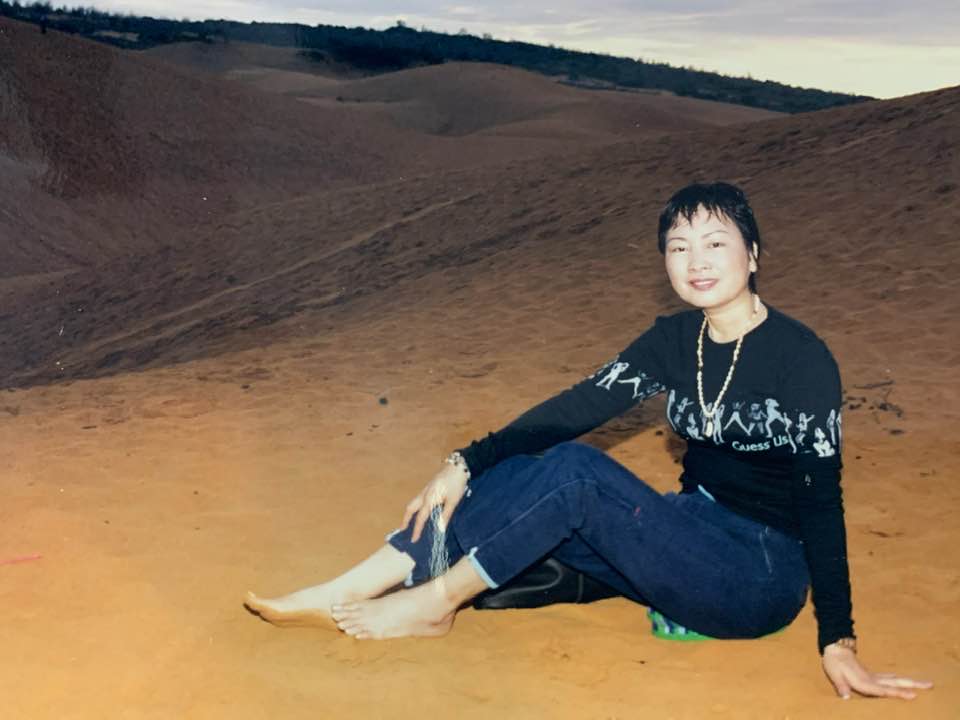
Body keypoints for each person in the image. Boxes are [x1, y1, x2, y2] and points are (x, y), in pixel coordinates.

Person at [245, 182, 932, 700]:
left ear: (753, 255)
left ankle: (435, 604)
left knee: (574, 476)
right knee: (519, 471)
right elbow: (575, 408)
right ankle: (350, 585)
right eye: (679, 247)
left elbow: (821, 503)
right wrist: (464, 462)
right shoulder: (674, 340)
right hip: (685, 530)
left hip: (758, 573)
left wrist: (838, 639)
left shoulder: (801, 358)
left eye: (715, 243)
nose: (696, 261)